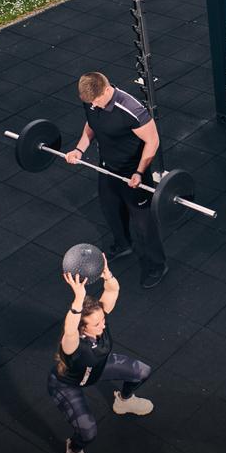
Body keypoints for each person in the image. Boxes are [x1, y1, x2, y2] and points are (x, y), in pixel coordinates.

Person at [48, 255, 154, 453]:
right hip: (67, 385)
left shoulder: (100, 322)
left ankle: (124, 401)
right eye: (97, 324)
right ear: (83, 328)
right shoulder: (72, 343)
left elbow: (113, 291)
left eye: (103, 320)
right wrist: (78, 299)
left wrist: (108, 275)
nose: (103, 325)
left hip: (98, 369)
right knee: (88, 431)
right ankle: (73, 451)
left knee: (142, 372)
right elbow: (69, 329)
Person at [66, 71, 167, 289]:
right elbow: (91, 124)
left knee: (143, 224)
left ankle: (157, 265)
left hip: (133, 172)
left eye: (95, 101)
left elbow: (153, 141)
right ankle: (123, 244)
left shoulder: (131, 110)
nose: (93, 105)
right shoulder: (92, 101)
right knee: (110, 209)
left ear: (106, 90)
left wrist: (139, 172)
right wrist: (79, 149)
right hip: (107, 167)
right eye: (89, 103)